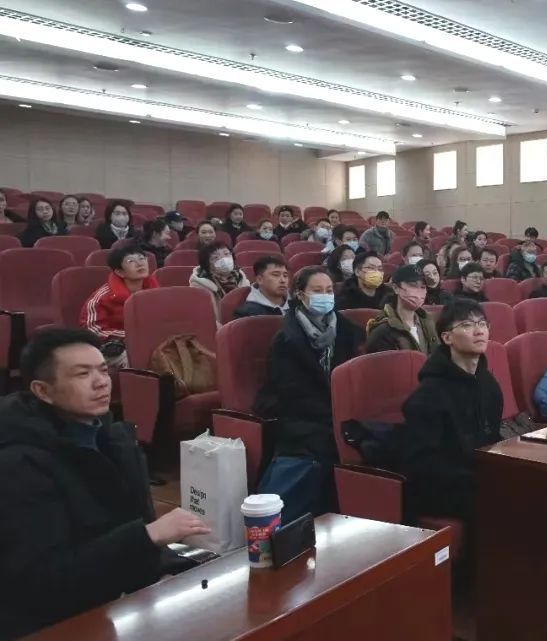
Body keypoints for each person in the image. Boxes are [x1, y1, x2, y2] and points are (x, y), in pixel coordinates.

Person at [0, 328, 212, 639]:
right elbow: (44, 580)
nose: (101, 382)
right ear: (43, 391)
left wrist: (176, 570)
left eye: (102, 369)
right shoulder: (18, 464)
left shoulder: (113, 437)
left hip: (121, 600)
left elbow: (140, 535)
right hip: (54, 622)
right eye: (82, 374)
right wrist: (147, 536)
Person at [253, 267, 363, 514]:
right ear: (300, 295)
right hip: (300, 416)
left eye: (329, 290)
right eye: (317, 290)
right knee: (322, 446)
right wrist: (333, 412)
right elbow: (291, 392)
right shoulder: (286, 339)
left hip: (338, 412)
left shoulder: (347, 331)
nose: (325, 296)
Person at [398, 298, 502, 523]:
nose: (479, 331)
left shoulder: (488, 383)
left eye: (482, 324)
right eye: (467, 325)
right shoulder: (428, 396)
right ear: (447, 338)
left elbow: (491, 438)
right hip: (441, 488)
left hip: (477, 475)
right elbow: (423, 466)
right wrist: (481, 477)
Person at [81, 245, 160, 366]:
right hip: (114, 347)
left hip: (149, 341)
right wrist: (131, 335)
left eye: (141, 258)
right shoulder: (102, 297)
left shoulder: (156, 292)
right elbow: (93, 330)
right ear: (120, 272)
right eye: (131, 261)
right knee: (139, 358)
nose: (140, 264)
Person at [366, 265, 440, 355]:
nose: (418, 291)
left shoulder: (428, 321)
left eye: (423, 287)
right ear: (396, 288)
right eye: (413, 285)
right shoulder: (383, 330)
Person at [190, 241, 250, 323]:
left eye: (226, 254)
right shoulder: (199, 285)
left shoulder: (241, 277)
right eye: (216, 258)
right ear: (207, 265)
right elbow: (206, 318)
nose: (224, 259)